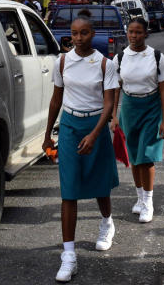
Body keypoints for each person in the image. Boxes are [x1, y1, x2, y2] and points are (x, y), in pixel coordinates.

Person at [43, 16, 120, 282]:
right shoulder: (62, 61)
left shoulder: (104, 64)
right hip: (69, 126)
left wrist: (95, 134)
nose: (78, 38)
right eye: (74, 34)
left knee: (100, 185)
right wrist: (47, 135)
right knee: (69, 190)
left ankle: (107, 223)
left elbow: (109, 103)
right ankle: (69, 256)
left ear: (92, 34)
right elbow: (56, 99)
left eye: (84, 33)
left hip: (95, 125)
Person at [111, 18, 164, 224]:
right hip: (129, 108)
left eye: (138, 32)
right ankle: (139, 198)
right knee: (134, 156)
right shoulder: (119, 58)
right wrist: (113, 116)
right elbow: (115, 89)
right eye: (130, 32)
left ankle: (148, 202)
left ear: (146, 33)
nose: (134, 36)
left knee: (147, 156)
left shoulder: (156, 57)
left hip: (151, 107)